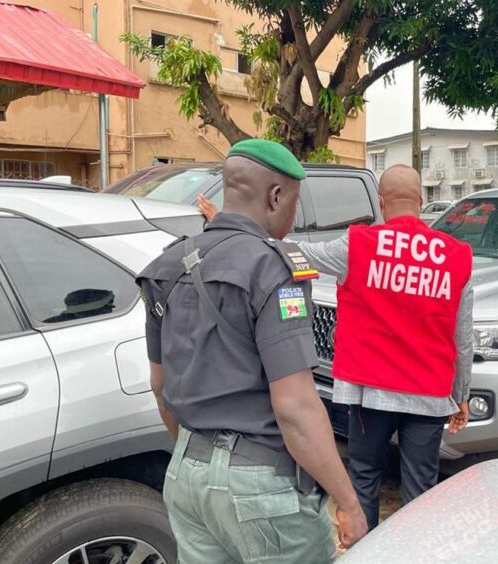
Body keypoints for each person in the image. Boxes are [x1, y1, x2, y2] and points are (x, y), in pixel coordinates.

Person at [199, 164, 474, 530]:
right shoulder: (456, 256)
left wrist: (231, 224)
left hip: (367, 390)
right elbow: (463, 335)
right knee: (421, 490)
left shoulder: (358, 244)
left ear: (380, 202)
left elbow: (292, 252)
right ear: (421, 201)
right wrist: (461, 395)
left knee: (364, 478)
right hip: (428, 392)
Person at [137, 139, 367, 564]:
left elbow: (160, 385)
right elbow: (295, 407)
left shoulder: (168, 265)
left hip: (186, 476)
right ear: (276, 196)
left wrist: (202, 460)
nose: (293, 215)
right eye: (294, 202)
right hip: (259, 486)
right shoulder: (274, 268)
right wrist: (348, 501)